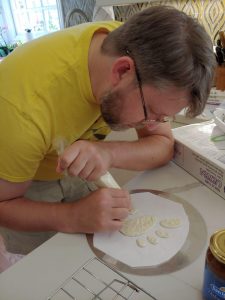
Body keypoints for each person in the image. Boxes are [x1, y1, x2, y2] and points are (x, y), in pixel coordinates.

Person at [0, 6, 215, 258]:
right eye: (151, 112)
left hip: (69, 157)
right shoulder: (22, 111)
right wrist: (72, 216)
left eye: (163, 117)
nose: (153, 123)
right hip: (22, 183)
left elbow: (163, 144)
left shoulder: (135, 48)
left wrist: (107, 152)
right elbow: (5, 205)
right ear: (122, 71)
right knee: (46, 264)